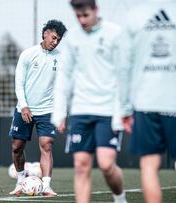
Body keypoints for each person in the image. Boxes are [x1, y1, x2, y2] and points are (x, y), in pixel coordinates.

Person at [117, 0, 176, 202]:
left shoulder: (133, 17)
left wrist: (124, 107)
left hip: (146, 104)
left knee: (149, 164)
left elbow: (123, 67)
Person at [51, 0, 127, 202]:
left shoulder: (115, 33)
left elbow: (123, 74)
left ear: (96, 10)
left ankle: (119, 197)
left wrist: (122, 111)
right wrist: (59, 112)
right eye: (78, 16)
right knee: (81, 165)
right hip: (81, 110)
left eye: (85, 15)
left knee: (106, 164)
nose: (81, 20)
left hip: (108, 110)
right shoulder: (73, 38)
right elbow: (64, 77)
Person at [8, 19, 67, 196]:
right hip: (25, 109)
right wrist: (24, 106)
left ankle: (46, 186)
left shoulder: (61, 58)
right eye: (54, 38)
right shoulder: (28, 54)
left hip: (47, 110)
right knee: (17, 147)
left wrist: (62, 114)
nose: (55, 42)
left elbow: (62, 88)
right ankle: (20, 182)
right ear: (45, 34)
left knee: (46, 145)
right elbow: (19, 83)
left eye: (58, 40)